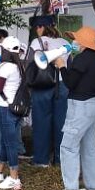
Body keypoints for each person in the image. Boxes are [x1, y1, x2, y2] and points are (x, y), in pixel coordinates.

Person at [51, 27, 95, 190]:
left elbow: (70, 83)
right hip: (94, 105)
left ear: (83, 42)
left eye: (76, 39)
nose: (73, 42)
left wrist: (62, 67)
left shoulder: (82, 59)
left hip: (80, 106)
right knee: (89, 147)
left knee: (68, 146)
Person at [27, 15, 69, 167]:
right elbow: (68, 65)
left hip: (42, 86)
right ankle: (60, 159)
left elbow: (29, 64)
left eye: (37, 27)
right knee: (61, 124)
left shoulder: (36, 42)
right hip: (62, 86)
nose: (37, 30)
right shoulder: (65, 42)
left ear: (41, 27)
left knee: (41, 123)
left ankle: (41, 159)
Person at [0, 36, 25, 190]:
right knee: (5, 140)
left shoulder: (6, 67)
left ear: (5, 50)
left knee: (9, 143)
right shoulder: (18, 65)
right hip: (13, 107)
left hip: (5, 108)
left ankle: (14, 178)